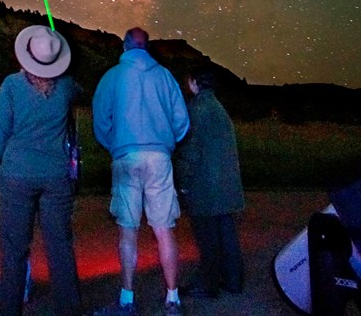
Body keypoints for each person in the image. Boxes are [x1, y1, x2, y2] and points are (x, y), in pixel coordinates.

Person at [0, 25, 83, 316]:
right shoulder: (66, 87)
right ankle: (70, 310)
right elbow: (79, 90)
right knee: (60, 246)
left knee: (14, 251)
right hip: (56, 175)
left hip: (16, 176)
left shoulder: (11, 85)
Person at [91, 27, 191, 316]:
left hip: (126, 156)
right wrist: (166, 143)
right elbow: (181, 120)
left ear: (124, 47)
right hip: (160, 157)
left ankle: (126, 300)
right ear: (147, 47)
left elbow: (101, 118)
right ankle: (172, 300)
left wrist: (115, 145)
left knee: (128, 231)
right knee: (164, 229)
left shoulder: (112, 76)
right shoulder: (165, 76)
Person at [174, 70, 245, 299]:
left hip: (205, 186)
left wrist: (183, 183)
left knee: (207, 238)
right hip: (226, 186)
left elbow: (190, 152)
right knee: (227, 235)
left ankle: (208, 284)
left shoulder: (196, 110)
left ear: (195, 82)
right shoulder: (219, 109)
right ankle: (234, 281)